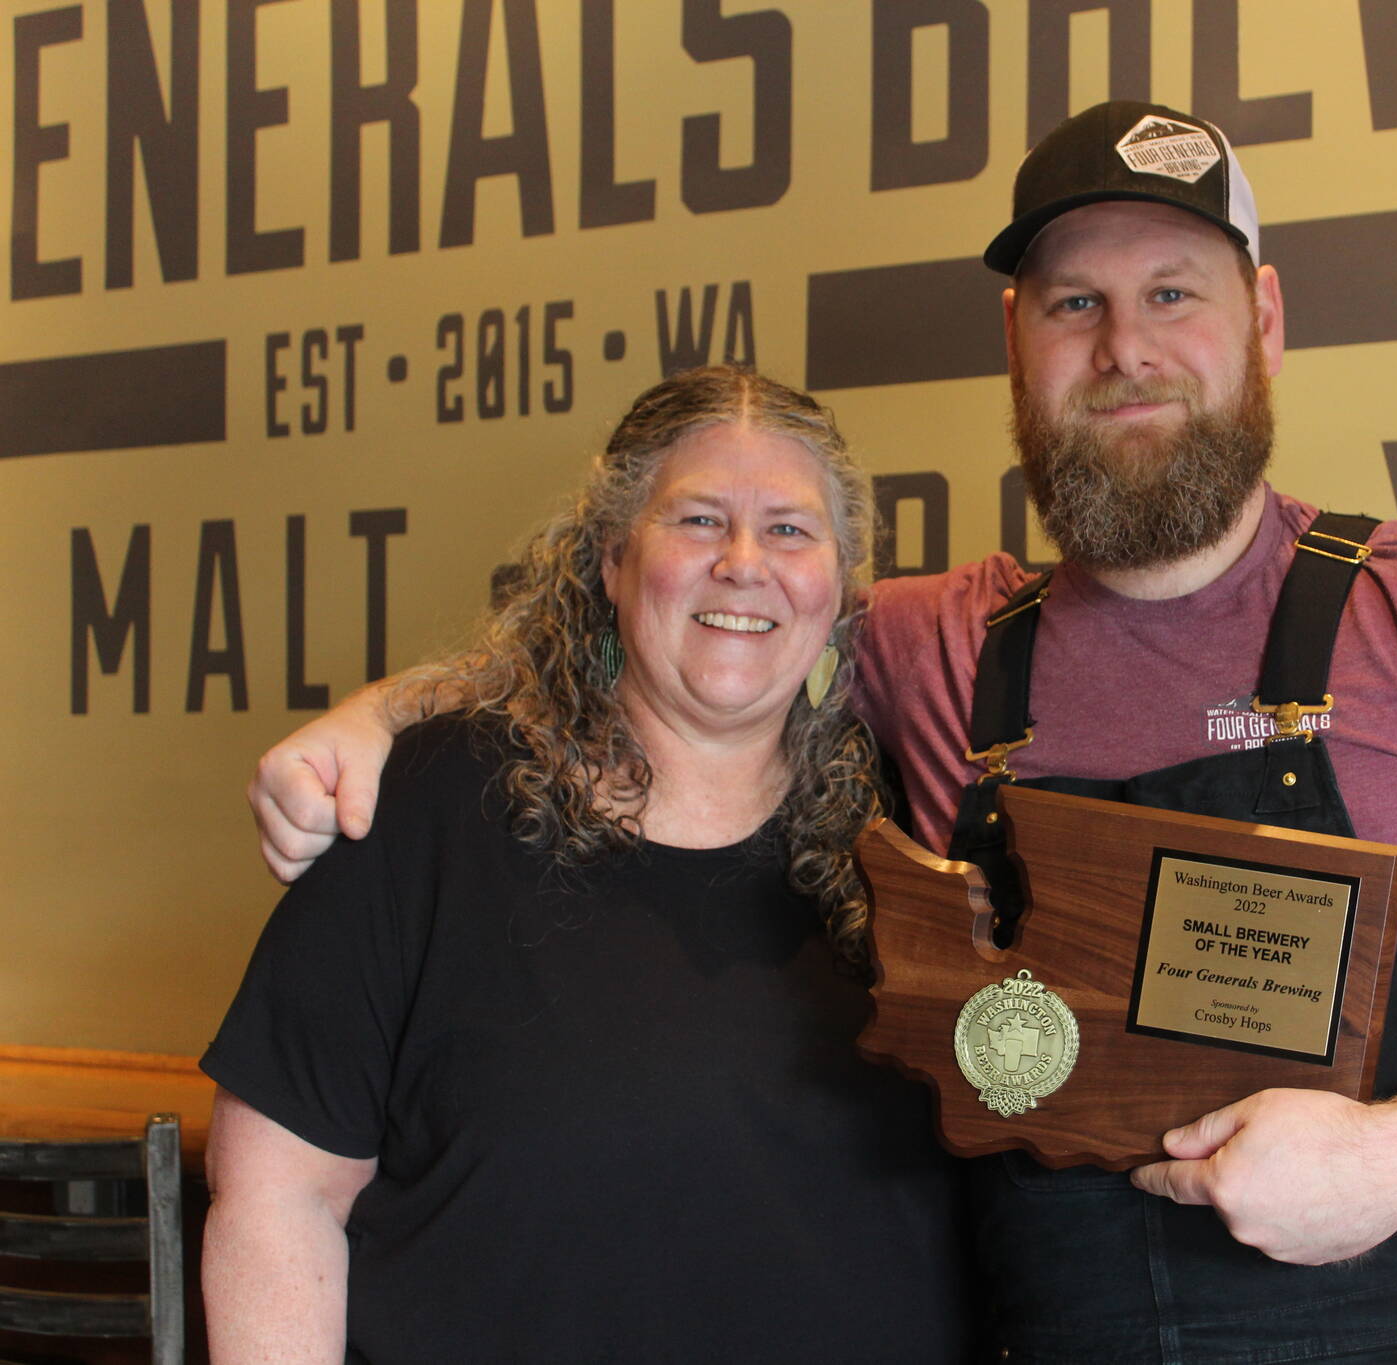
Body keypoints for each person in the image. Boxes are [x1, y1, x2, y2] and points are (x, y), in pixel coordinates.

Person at [249, 104, 1397, 1363]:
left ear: (1266, 320)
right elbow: (687, 631)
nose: (1127, 347)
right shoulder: (927, 644)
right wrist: (374, 720)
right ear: (1016, 343)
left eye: (1175, 291)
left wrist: (1391, 1164)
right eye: (1075, 304)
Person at [203, 367, 973, 1363]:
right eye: (696, 519)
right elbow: (278, 1197)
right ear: (610, 560)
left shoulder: (913, 822)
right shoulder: (427, 812)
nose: (744, 563)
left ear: (839, 589)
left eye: (789, 529)